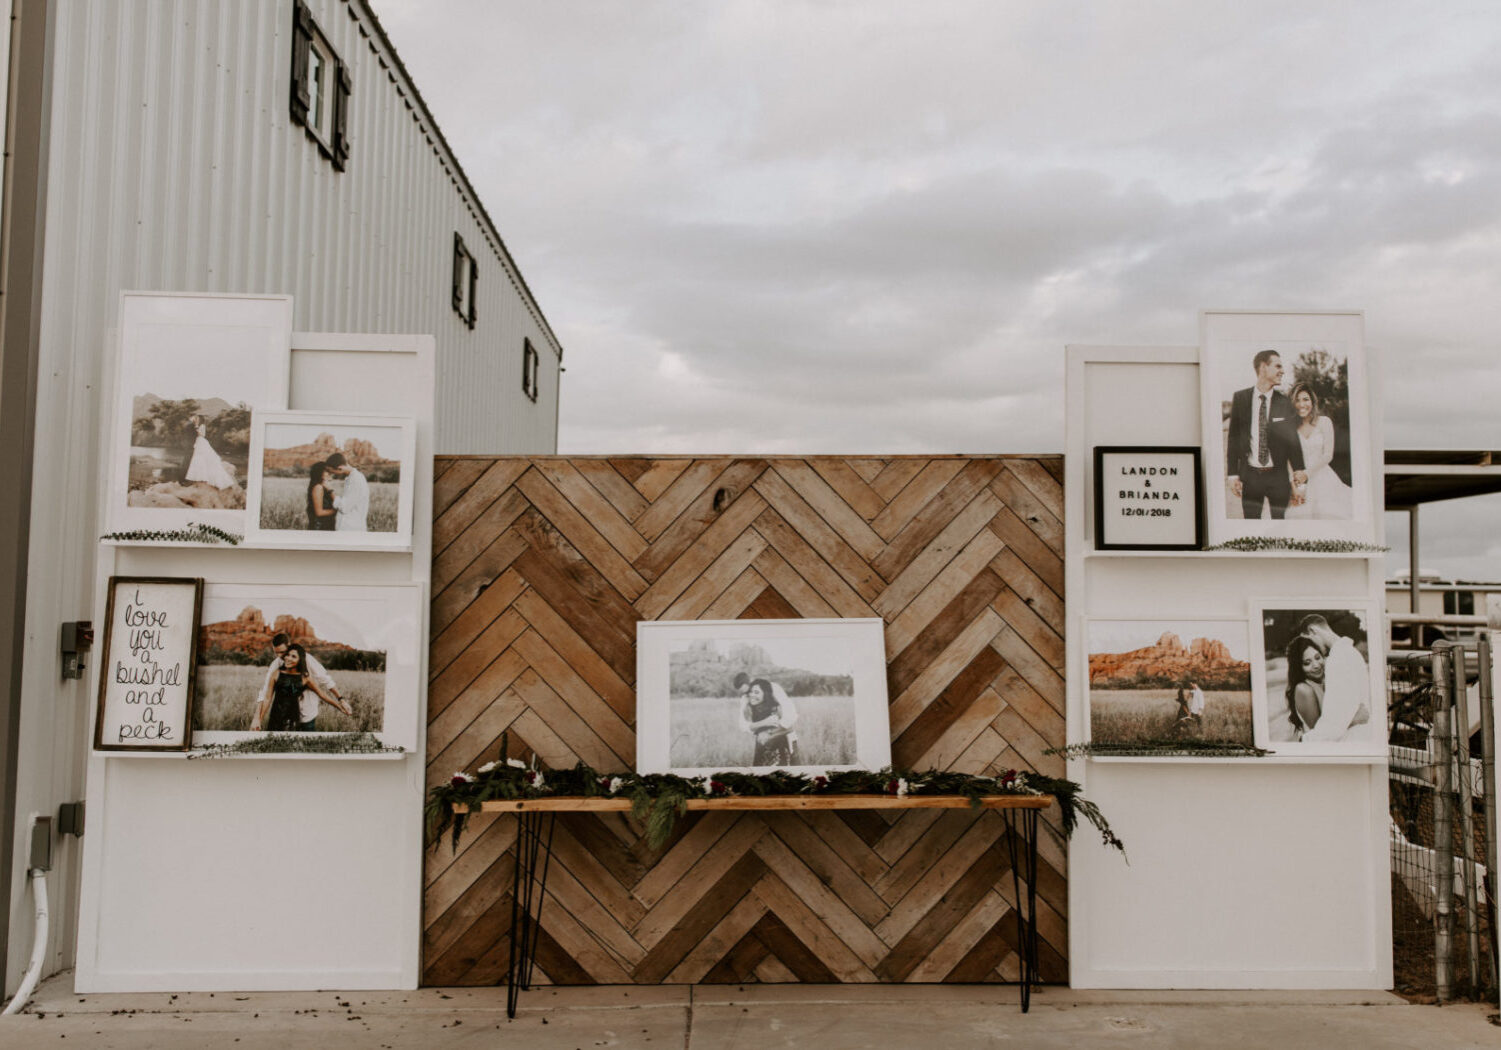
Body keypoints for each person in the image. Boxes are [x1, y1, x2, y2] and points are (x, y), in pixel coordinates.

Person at [1225, 350, 1307, 520]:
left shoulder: (1284, 403)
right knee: (1251, 527)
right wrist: (1232, 475)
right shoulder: (1241, 398)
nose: (1282, 371)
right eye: (1278, 366)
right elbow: (1233, 438)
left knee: (1279, 526)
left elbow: (1293, 443)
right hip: (1251, 477)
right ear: (1263, 367)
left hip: (1278, 479)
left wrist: (1300, 481)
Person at [1295, 615, 1370, 742]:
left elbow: (1334, 725)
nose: (1312, 647)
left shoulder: (1338, 659)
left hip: (1350, 742)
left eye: (1310, 641)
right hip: (1360, 737)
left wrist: (1304, 740)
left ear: (1313, 631)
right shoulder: (1351, 652)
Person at [1283, 383, 1353, 521]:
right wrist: (1294, 486)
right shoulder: (1290, 427)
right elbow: (1286, 460)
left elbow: (1328, 455)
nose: (1302, 404)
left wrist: (1306, 474)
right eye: (1297, 400)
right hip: (1299, 482)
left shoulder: (1324, 422)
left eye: (1305, 399)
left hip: (1323, 478)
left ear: (1313, 401)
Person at [258, 632, 350, 731]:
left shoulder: (307, 663)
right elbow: (265, 693)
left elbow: (325, 682)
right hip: (286, 716)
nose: (280, 656)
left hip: (307, 713)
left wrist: (341, 700)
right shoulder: (276, 665)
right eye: (276, 652)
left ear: (289, 645)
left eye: (282, 652)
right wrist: (257, 719)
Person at [738, 676, 799, 765]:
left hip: (783, 743)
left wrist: (769, 734)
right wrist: (764, 722)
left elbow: (790, 723)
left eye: (756, 692)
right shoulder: (746, 698)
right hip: (763, 743)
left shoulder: (775, 694)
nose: (751, 695)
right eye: (749, 692)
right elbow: (743, 726)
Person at [1283, 635, 1325, 739]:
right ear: (1299, 668)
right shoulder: (1304, 689)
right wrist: (1353, 720)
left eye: (1317, 657)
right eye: (1307, 663)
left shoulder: (1326, 680)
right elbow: (1320, 733)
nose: (1316, 665)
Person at [183, 413, 237, 490]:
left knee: (202, 457)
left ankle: (203, 476)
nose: (197, 420)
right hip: (198, 442)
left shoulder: (202, 426)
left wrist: (197, 430)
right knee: (198, 458)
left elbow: (202, 435)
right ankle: (199, 476)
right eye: (196, 418)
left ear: (200, 420)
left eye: (198, 418)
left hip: (201, 441)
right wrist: (196, 429)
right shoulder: (197, 426)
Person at [326, 452, 369, 531]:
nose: (330, 474)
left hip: (351, 529)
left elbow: (344, 507)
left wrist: (329, 489)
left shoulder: (356, 480)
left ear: (340, 468)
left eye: (331, 471)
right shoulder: (350, 478)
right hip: (348, 527)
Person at [306, 461, 337, 531]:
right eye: (326, 471)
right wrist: (337, 511)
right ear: (319, 473)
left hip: (325, 525)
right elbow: (319, 512)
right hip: (320, 527)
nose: (330, 473)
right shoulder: (318, 487)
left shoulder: (323, 487)